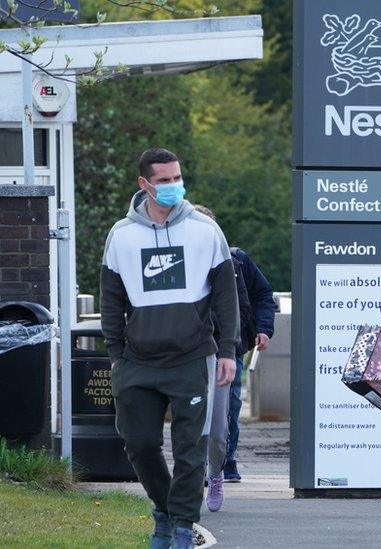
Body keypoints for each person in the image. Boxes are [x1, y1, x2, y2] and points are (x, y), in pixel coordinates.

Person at [101, 148, 238, 549]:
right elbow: (111, 299)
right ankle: (165, 508)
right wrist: (115, 355)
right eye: (163, 181)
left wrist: (227, 350)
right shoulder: (122, 235)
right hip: (137, 360)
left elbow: (226, 296)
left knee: (189, 449)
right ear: (144, 184)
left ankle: (180, 528)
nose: (174, 187)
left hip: (191, 357)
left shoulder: (205, 231)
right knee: (139, 444)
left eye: (177, 178)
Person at [193, 206, 276, 512]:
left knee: (227, 408)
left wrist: (264, 329)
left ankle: (223, 464)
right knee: (192, 410)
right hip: (189, 350)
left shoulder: (237, 260)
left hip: (228, 349)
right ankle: (197, 468)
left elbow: (264, 295)